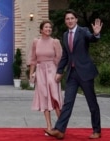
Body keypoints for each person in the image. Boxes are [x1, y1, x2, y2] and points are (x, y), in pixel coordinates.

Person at [44, 9, 103, 139]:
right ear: (65, 21)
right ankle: (59, 130)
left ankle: (97, 130)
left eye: (72, 18)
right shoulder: (65, 35)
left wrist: (96, 34)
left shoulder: (83, 31)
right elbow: (65, 55)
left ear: (76, 20)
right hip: (72, 74)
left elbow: (91, 38)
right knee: (67, 103)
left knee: (92, 103)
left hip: (85, 73)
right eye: (67, 19)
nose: (69, 21)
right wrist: (59, 71)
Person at [28, 20, 63, 134]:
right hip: (40, 71)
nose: (48, 29)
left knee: (55, 97)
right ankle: (49, 126)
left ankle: (61, 126)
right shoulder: (35, 42)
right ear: (41, 30)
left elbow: (60, 59)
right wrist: (31, 74)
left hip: (52, 70)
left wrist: (59, 73)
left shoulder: (55, 42)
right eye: (46, 27)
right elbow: (33, 59)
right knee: (44, 97)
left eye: (50, 27)